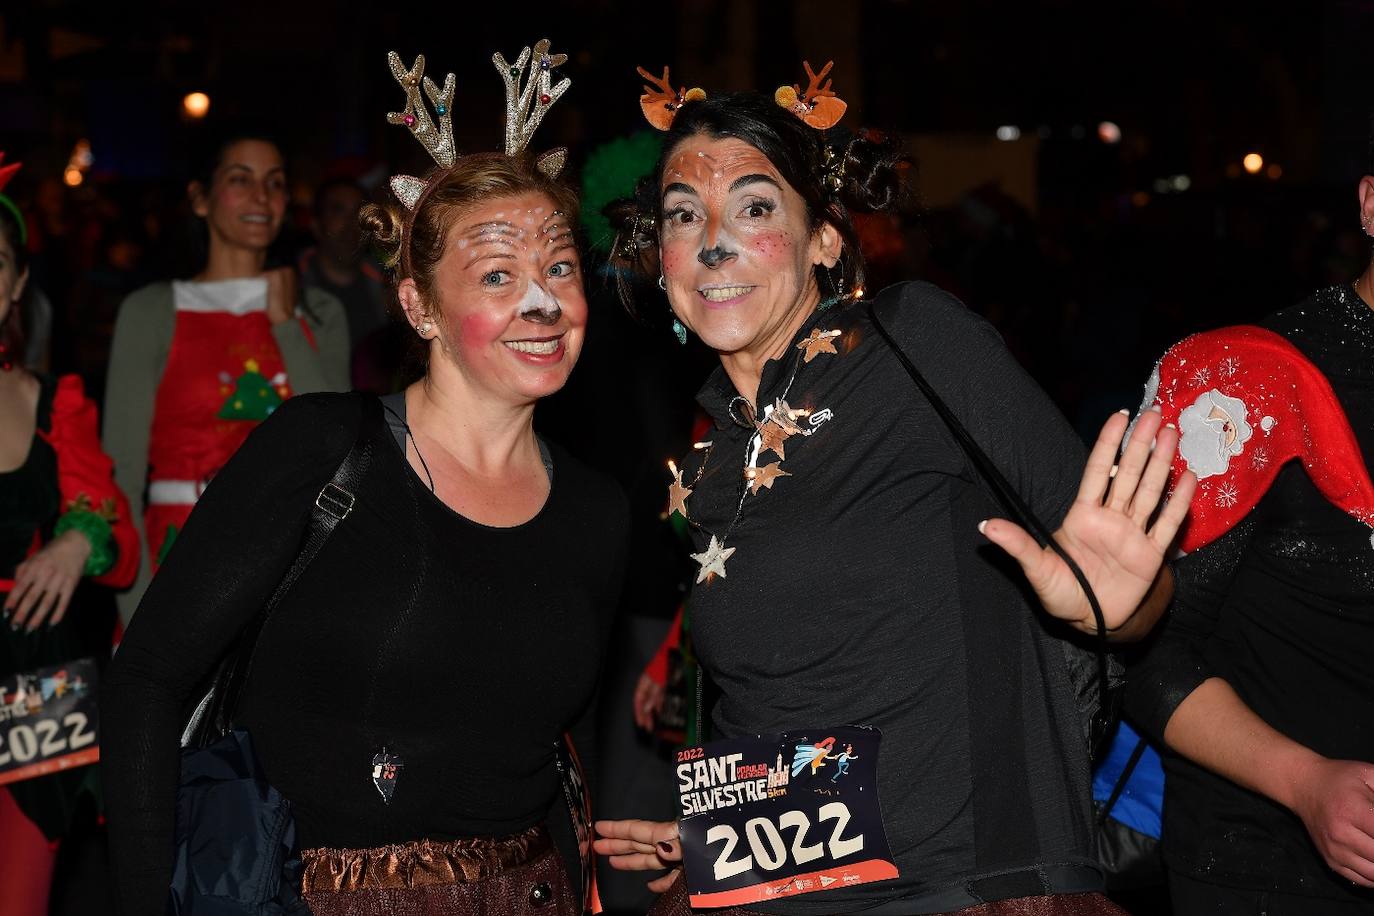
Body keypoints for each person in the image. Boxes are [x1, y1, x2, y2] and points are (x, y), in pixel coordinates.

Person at [594, 66, 1192, 915]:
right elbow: (807, 721)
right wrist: (714, 846)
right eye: (685, 217)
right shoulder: (712, 452)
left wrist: (1122, 606)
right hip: (779, 895)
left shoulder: (912, 343)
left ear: (826, 240)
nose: (714, 244)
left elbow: (1121, 589)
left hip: (958, 885)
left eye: (756, 209)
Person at [102, 42, 628, 915]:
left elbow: (574, 751)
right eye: (497, 275)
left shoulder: (600, 510)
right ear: (420, 306)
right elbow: (147, 681)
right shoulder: (319, 450)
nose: (544, 303)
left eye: (560, 267)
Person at [1121, 141, 1374, 914]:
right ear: (1370, 203)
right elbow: (1139, 652)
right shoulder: (1246, 383)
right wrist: (1305, 783)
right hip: (1271, 867)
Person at [103, 127, 350, 623]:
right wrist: (137, 616)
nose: (262, 196)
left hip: (294, 575)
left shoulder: (319, 312)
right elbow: (120, 477)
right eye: (242, 179)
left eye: (275, 183)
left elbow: (340, 450)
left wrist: (284, 322)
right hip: (179, 562)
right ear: (200, 197)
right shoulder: (152, 311)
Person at [0, 153, 139, 916]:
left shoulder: (58, 404)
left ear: (18, 282)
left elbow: (123, 549)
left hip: (35, 693)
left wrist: (79, 538)